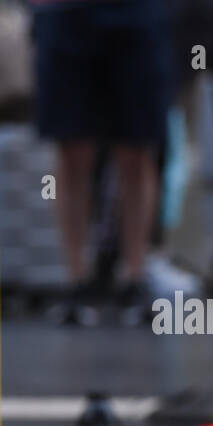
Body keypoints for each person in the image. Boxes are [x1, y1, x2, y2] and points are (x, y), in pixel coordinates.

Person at [31, 0, 175, 325]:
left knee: (137, 148)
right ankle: (76, 280)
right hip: (63, 11)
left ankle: (134, 277)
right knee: (72, 148)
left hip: (136, 13)